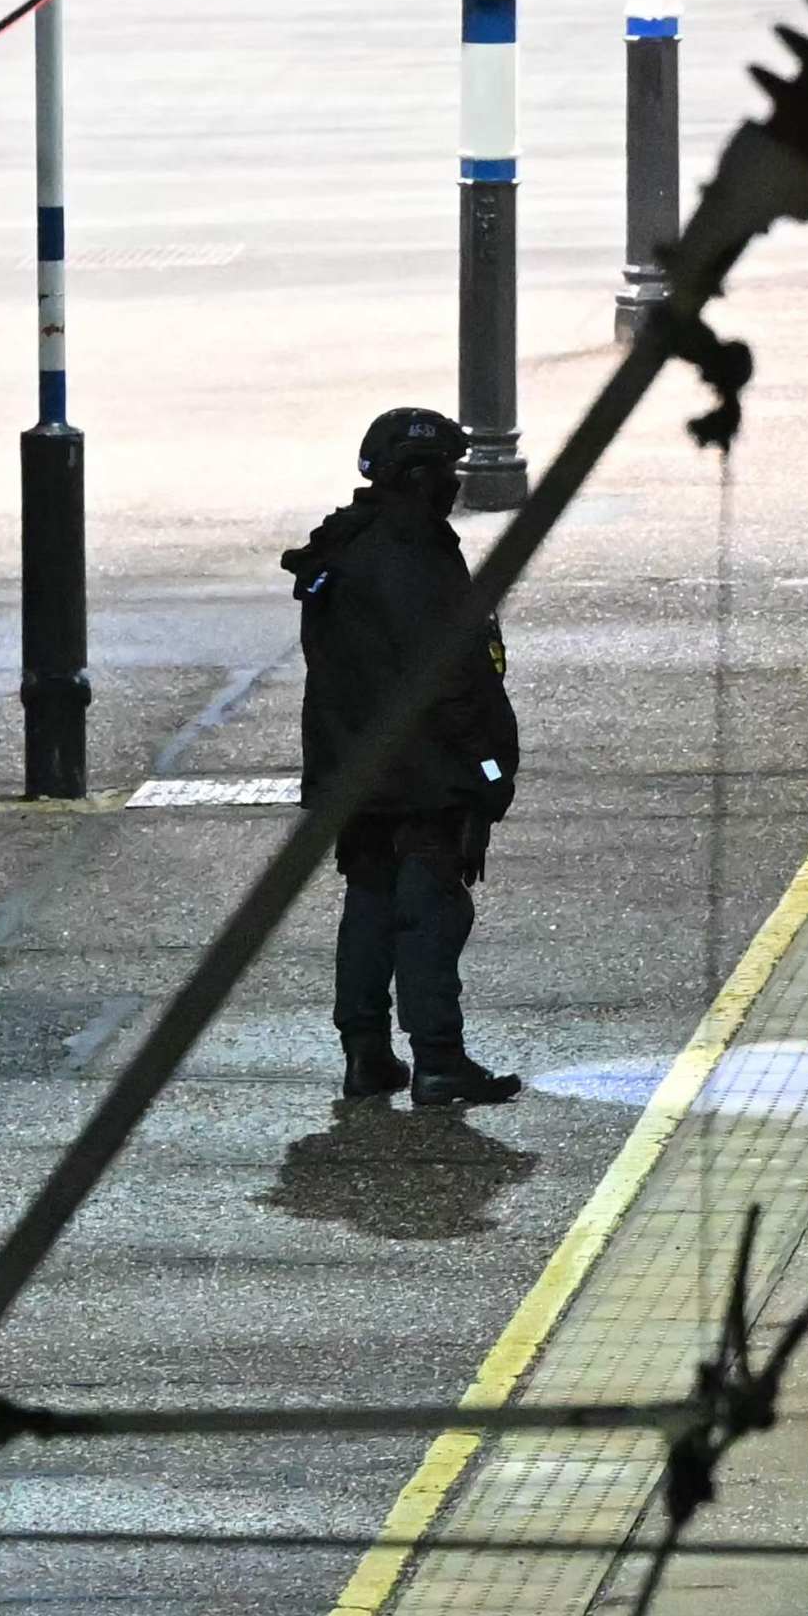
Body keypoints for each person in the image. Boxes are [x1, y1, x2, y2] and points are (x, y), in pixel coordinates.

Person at [284, 407, 523, 1112]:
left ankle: (366, 1054)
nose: (452, 485)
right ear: (418, 474)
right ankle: (439, 1062)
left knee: (369, 901)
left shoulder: (340, 544)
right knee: (430, 912)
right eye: (446, 471)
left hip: (350, 767)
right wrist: (485, 767)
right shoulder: (411, 554)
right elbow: (448, 676)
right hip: (422, 769)